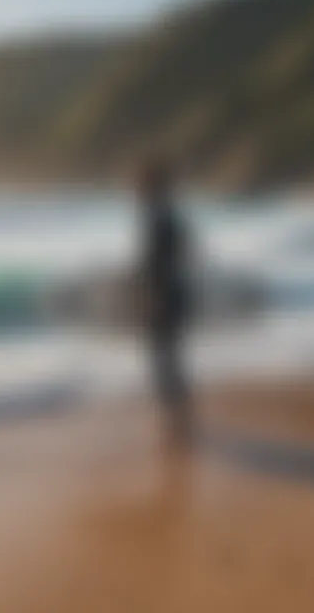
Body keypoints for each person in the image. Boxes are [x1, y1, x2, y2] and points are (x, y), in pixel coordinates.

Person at [137, 159, 193, 450]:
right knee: (169, 358)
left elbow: (157, 264)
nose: (136, 189)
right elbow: (184, 255)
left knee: (164, 359)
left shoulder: (159, 218)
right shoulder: (166, 216)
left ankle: (177, 422)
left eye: (141, 183)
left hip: (166, 296)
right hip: (175, 293)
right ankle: (177, 419)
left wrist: (154, 297)